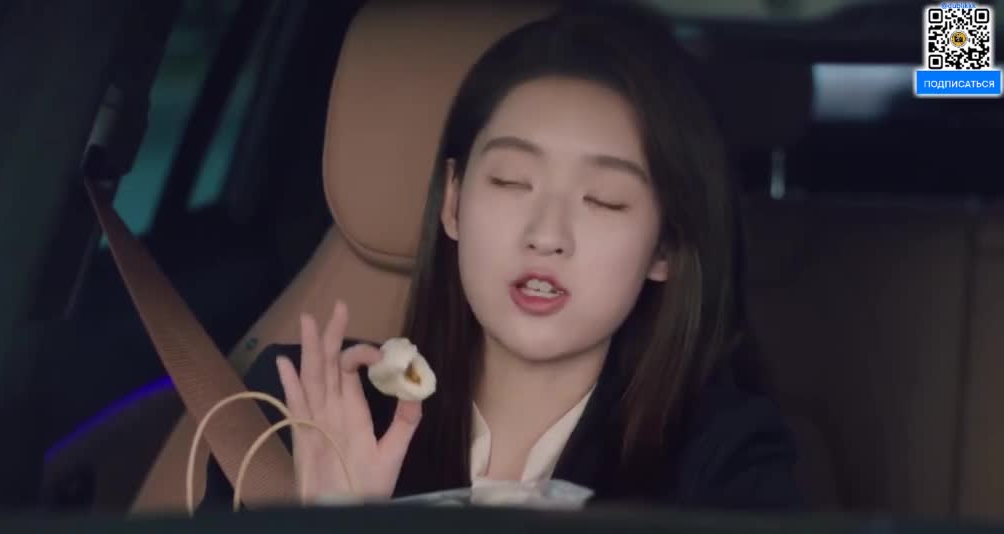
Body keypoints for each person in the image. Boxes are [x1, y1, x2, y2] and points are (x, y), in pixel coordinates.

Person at [202, 0, 802, 511]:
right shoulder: (303, 412)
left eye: (604, 199)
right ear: (454, 201)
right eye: (512, 181)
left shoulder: (722, 465)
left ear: (664, 247)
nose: (547, 234)